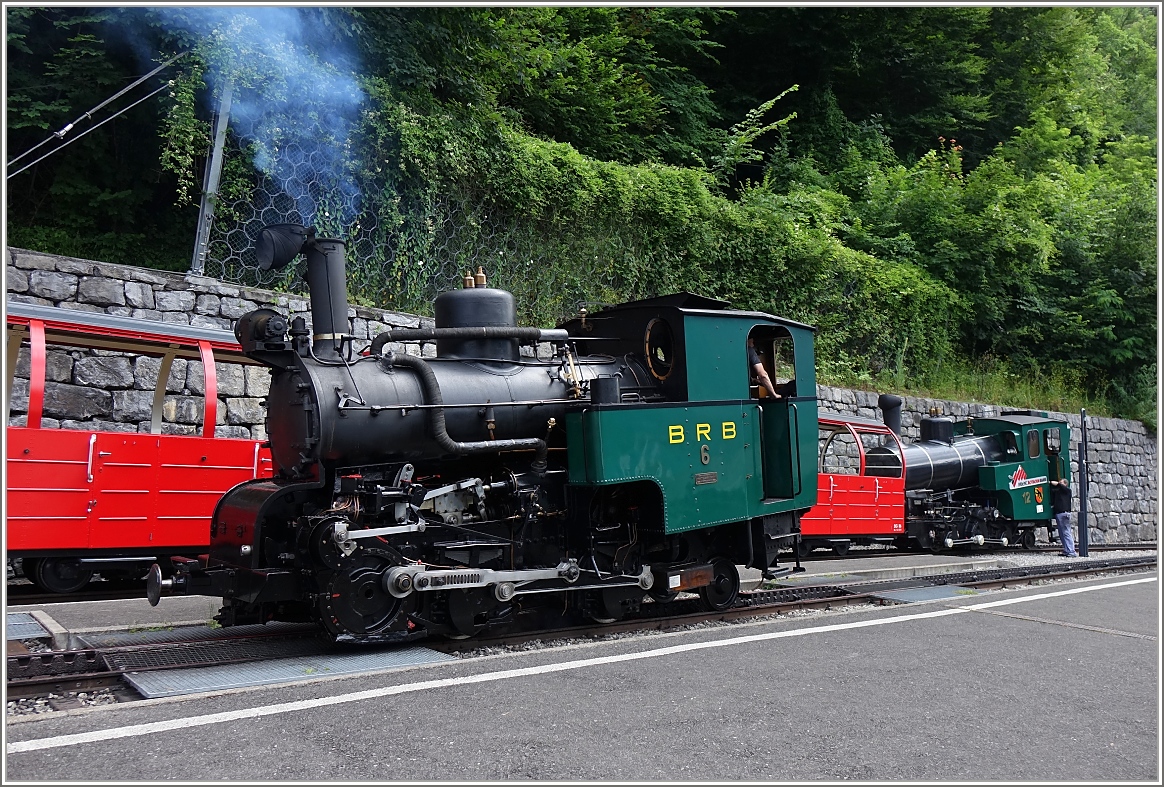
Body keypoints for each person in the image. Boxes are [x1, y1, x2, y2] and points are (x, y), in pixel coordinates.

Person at [1051, 477, 1077, 557]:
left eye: (1061, 482)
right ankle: (1067, 550)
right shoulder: (1059, 493)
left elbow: (1060, 486)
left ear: (1065, 484)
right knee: (1062, 533)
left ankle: (1071, 551)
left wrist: (1051, 482)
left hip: (1064, 514)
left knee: (1066, 533)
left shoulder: (1067, 491)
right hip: (1060, 514)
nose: (1059, 484)